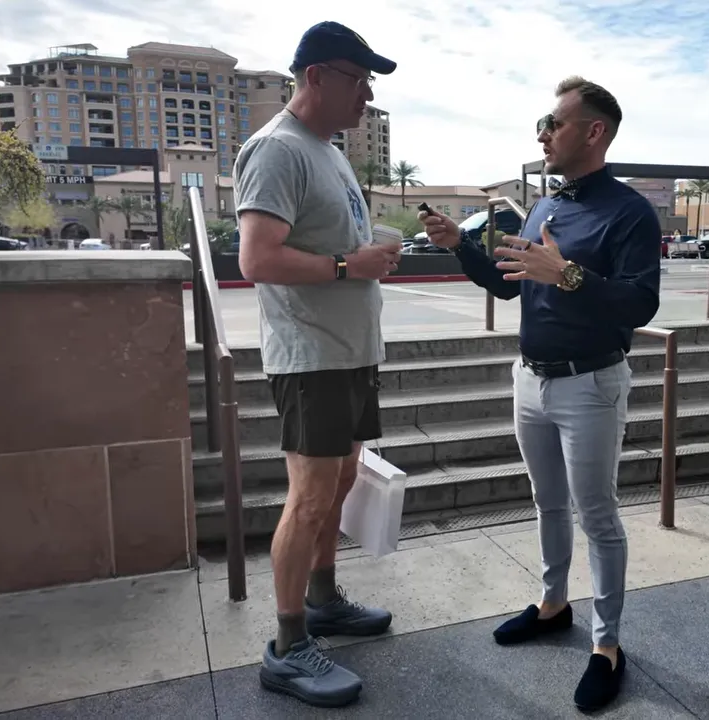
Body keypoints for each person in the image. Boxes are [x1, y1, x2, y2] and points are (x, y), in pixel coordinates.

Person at [421, 76, 662, 711]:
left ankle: (607, 646)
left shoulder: (629, 211)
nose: (543, 134)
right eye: (543, 124)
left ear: (594, 131)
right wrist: (460, 248)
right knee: (546, 504)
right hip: (530, 378)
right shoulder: (545, 206)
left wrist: (571, 274)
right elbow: (511, 287)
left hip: (591, 383)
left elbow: (640, 302)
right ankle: (554, 604)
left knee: (598, 515)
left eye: (553, 123)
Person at [232, 21, 402, 709]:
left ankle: (324, 600)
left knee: (342, 480)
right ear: (315, 77)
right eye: (357, 80)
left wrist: (364, 255)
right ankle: (287, 644)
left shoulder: (327, 152)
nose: (366, 96)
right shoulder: (276, 150)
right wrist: (345, 265)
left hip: (349, 351)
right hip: (310, 357)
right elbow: (257, 258)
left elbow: (333, 245)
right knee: (309, 498)